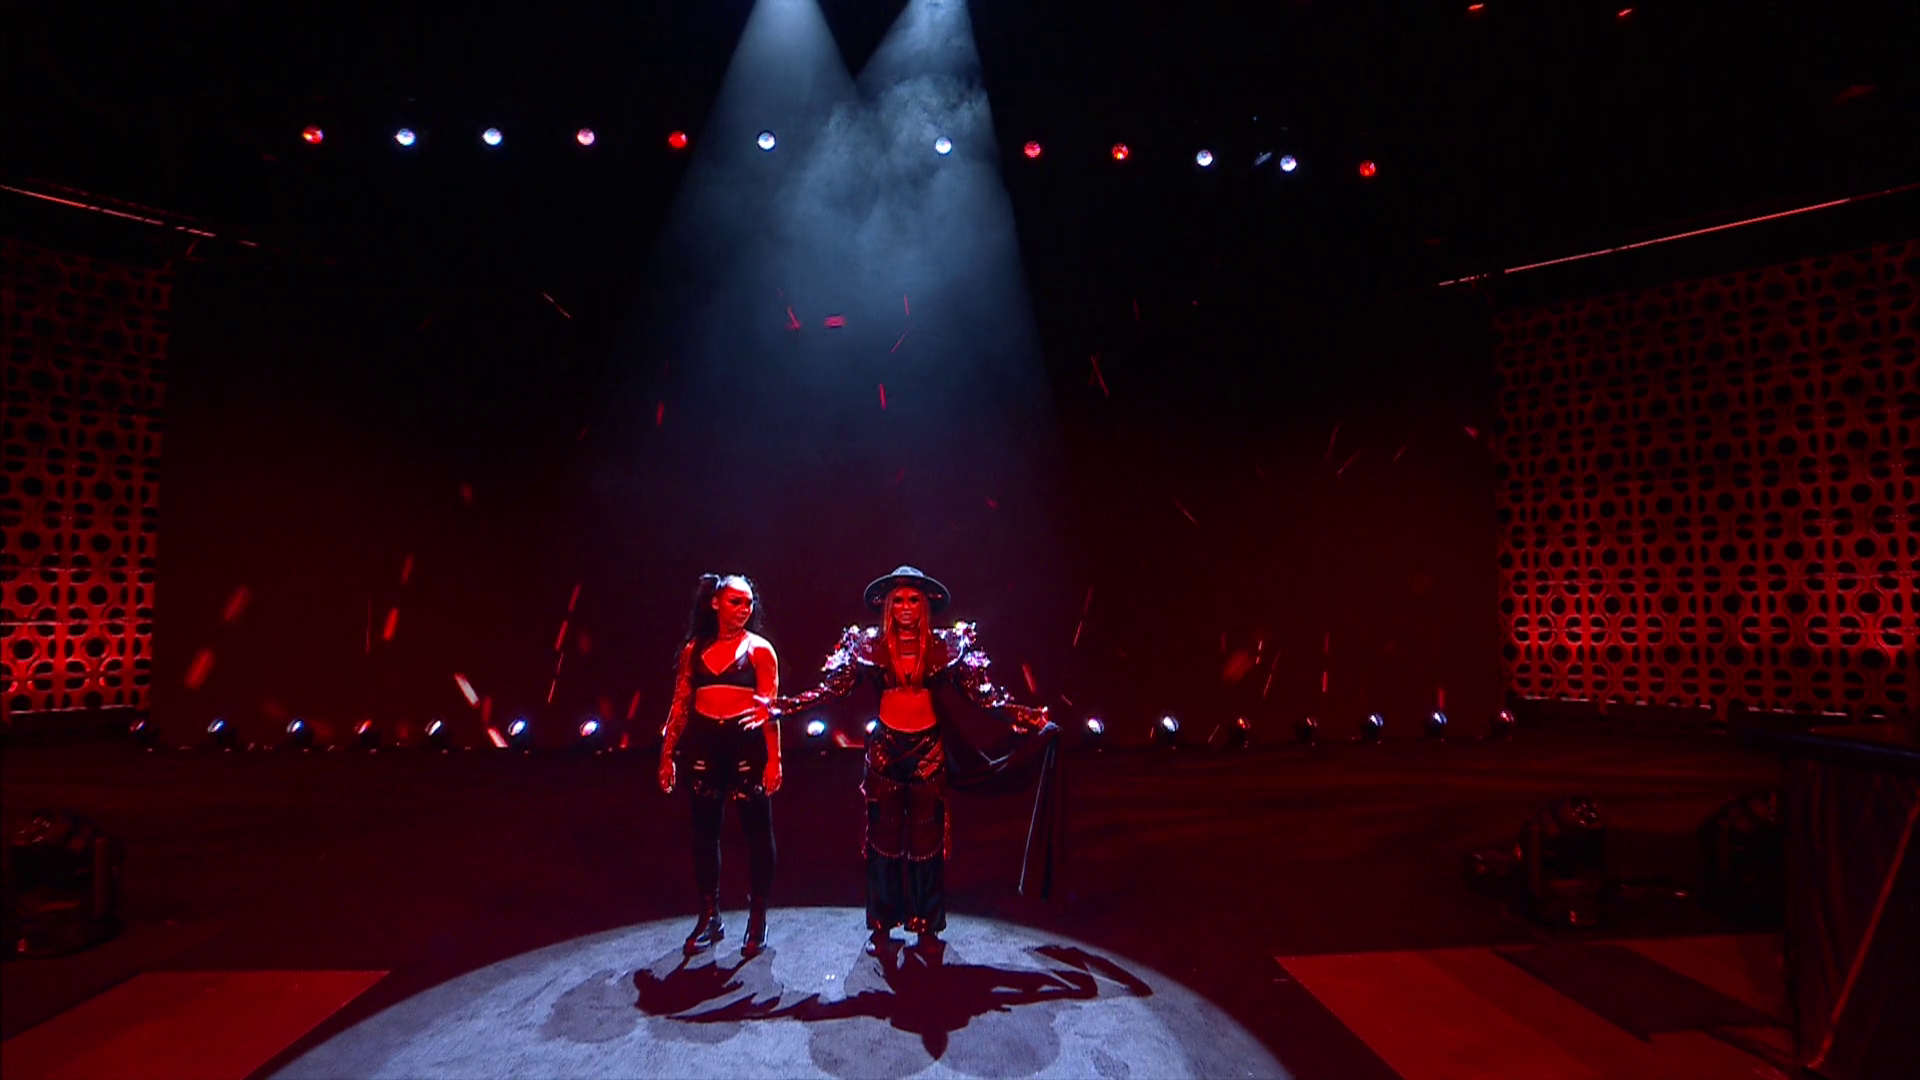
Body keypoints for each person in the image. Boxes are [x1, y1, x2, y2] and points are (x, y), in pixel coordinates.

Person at [774, 566, 1055, 954]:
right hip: (885, 749)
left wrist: (1028, 716)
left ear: (925, 605)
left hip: (928, 749)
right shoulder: (866, 645)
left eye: (913, 600)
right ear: (888, 605)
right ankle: (882, 918)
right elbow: (831, 690)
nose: (906, 607)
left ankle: (926, 920)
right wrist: (784, 706)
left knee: (927, 841)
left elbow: (984, 696)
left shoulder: (948, 646)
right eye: (899, 600)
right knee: (882, 840)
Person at [659, 573, 781, 957]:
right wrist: (667, 754)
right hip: (704, 745)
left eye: (748, 603)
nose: (743, 609)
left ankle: (757, 917)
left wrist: (775, 759)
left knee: (757, 833)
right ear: (715, 603)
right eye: (735, 602)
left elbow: (769, 709)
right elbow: (680, 704)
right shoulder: (694, 650)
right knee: (704, 833)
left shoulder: (760, 650)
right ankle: (709, 914)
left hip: (746, 746)